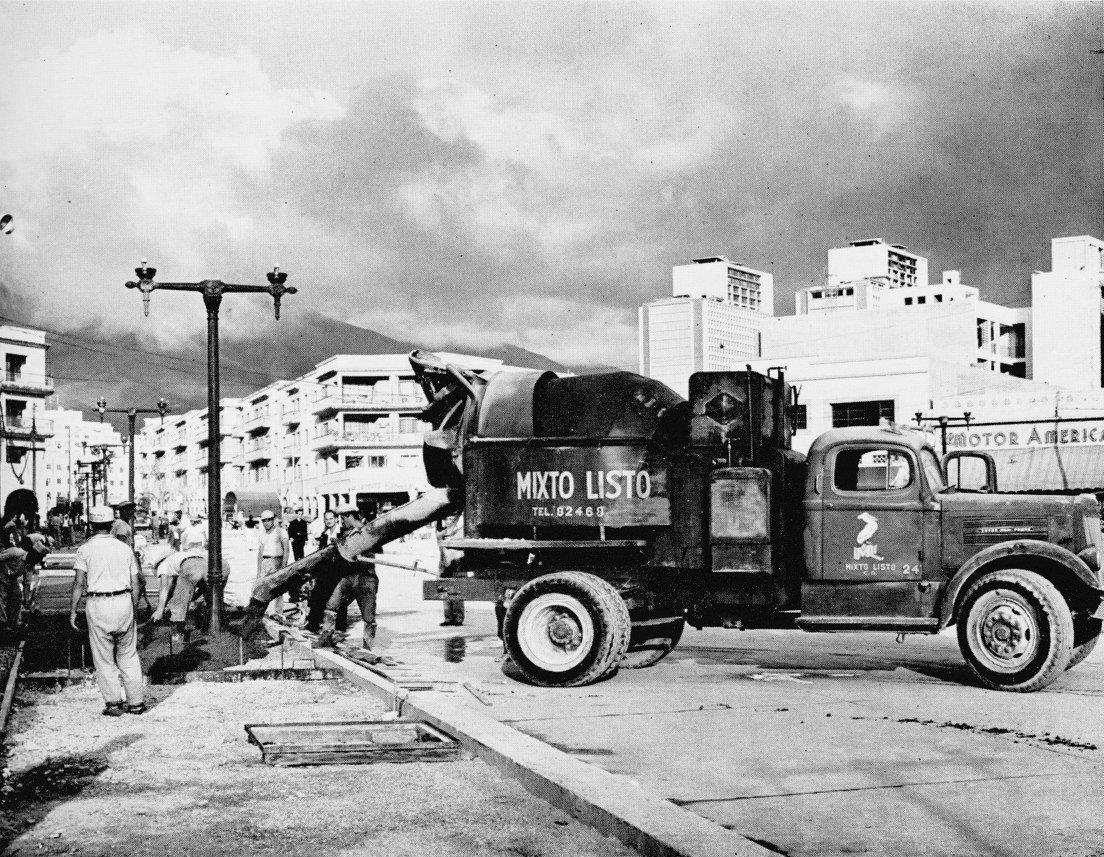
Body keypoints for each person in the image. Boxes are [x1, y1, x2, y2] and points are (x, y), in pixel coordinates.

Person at [69, 505, 145, 717]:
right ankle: (136, 703)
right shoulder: (124, 549)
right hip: (123, 600)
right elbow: (136, 583)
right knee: (128, 654)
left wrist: (73, 610)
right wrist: (134, 607)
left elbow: (78, 584)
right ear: (112, 524)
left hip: (98, 602)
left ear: (91, 526)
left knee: (103, 657)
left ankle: (113, 703)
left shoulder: (84, 550)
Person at [317, 507, 378, 651]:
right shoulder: (345, 533)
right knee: (331, 606)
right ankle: (326, 638)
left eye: (343, 518)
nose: (341, 522)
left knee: (368, 617)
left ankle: (367, 648)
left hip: (365, 578)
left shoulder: (367, 530)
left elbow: (373, 550)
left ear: (350, 516)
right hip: (349, 577)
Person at [303, 507, 352, 636]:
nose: (329, 521)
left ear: (336, 519)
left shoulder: (343, 533)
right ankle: (313, 624)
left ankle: (340, 627)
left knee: (340, 598)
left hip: (340, 569)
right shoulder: (324, 535)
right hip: (325, 570)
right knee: (319, 595)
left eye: (331, 518)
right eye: (326, 519)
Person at [255, 509, 290, 620]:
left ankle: (278, 613)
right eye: (263, 521)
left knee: (278, 589)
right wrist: (258, 571)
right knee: (265, 588)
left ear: (273, 520)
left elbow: (286, 550)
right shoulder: (262, 535)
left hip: (277, 561)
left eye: (268, 520)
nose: (266, 523)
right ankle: (267, 613)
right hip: (266, 562)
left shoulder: (281, 532)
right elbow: (260, 554)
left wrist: (283, 567)